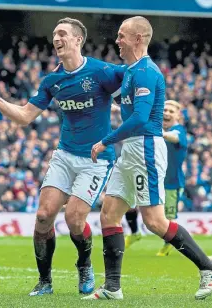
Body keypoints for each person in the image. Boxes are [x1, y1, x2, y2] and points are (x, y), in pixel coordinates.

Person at [0, 17, 124, 296]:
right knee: (44, 215)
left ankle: (84, 265)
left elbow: (128, 98)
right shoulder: (53, 81)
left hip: (95, 160)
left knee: (74, 219)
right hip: (64, 155)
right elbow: (24, 116)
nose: (56, 39)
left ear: (77, 39)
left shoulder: (103, 71)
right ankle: (44, 281)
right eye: (54, 34)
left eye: (62, 34)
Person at [86, 16, 212, 300]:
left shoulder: (146, 72)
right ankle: (112, 288)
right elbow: (112, 84)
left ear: (138, 38)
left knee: (155, 221)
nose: (117, 41)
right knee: (108, 214)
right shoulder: (130, 71)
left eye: (122, 36)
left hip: (144, 147)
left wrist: (105, 140)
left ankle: (208, 269)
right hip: (130, 150)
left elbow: (142, 118)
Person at [124, 100, 188, 256]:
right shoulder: (153, 125)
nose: (167, 113)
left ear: (178, 116)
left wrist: (160, 133)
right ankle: (134, 233)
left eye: (171, 111)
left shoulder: (179, 130)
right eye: (165, 109)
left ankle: (168, 245)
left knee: (167, 218)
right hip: (147, 176)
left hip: (171, 182)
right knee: (129, 204)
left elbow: (174, 137)